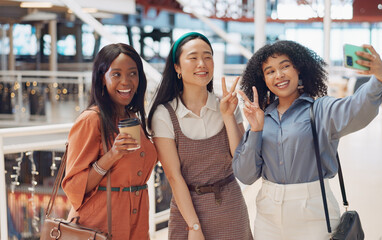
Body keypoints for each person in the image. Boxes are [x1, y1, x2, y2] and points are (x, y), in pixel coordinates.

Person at [233, 40, 382, 239]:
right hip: (268, 216)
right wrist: (255, 130)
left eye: (285, 66)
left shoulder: (321, 109)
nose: (279, 75)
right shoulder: (261, 118)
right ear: (263, 79)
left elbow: (356, 108)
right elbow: (246, 176)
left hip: (314, 212)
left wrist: (380, 78)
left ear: (299, 69)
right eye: (270, 71)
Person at [148, 32, 253, 240]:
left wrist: (228, 116)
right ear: (177, 67)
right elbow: (174, 177)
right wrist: (194, 227)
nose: (202, 64)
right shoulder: (164, 114)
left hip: (231, 209)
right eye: (193, 57)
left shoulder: (227, 104)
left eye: (207, 56)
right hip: (188, 213)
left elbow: (241, 159)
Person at [62, 43, 157, 240]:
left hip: (136, 224)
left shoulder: (133, 118)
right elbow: (73, 187)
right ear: (102, 79)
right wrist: (112, 155)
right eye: (116, 74)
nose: (126, 81)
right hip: (99, 225)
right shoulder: (91, 120)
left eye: (133, 73)